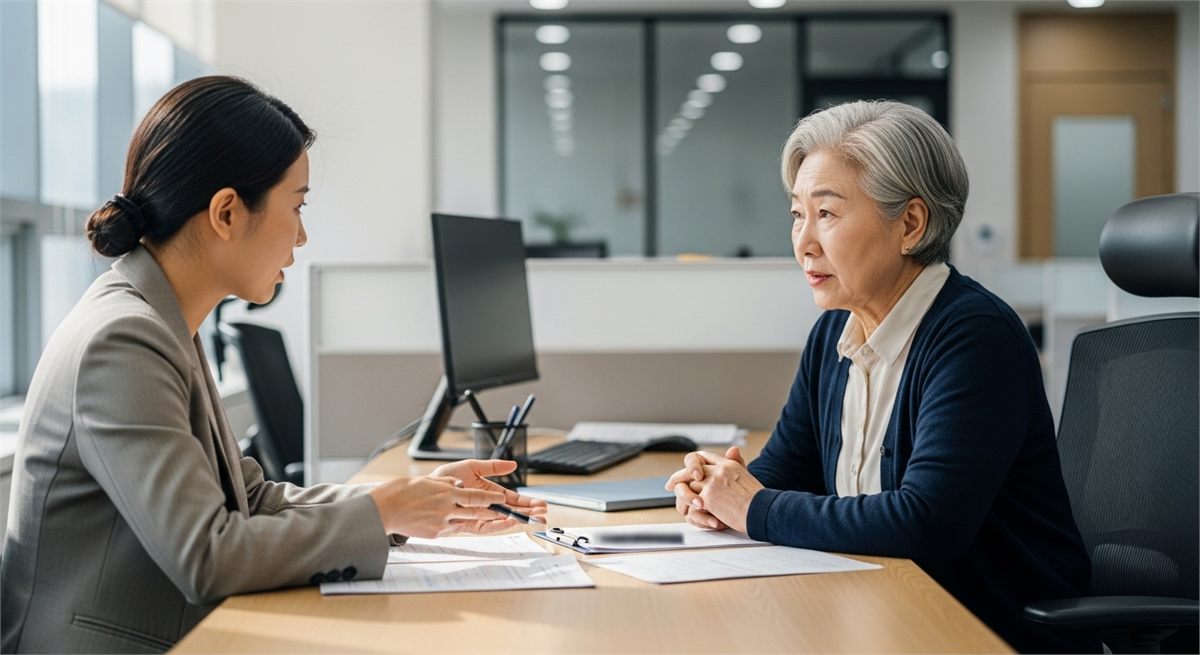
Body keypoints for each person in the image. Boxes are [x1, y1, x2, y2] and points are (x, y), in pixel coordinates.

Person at [0, 76, 547, 654]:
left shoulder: (158, 319)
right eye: (297, 205)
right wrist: (382, 511)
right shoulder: (124, 340)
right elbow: (207, 557)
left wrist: (404, 502)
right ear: (228, 212)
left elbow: (249, 498)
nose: (303, 235)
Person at [667, 100, 1093, 653]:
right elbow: (781, 473)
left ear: (910, 224)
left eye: (827, 214)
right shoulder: (834, 334)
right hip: (877, 612)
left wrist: (751, 506)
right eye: (797, 214)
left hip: (980, 630)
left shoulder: (974, 336)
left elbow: (925, 522)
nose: (803, 242)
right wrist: (715, 492)